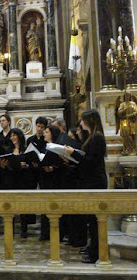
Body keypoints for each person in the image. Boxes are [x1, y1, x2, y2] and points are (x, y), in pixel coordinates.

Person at [65, 109, 108, 264]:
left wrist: (73, 154)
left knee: (96, 220)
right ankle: (92, 248)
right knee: (91, 219)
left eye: (82, 120)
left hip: (95, 181)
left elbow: (91, 162)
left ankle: (97, 252)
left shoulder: (97, 138)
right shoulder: (92, 137)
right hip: (90, 180)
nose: (80, 122)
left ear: (89, 120)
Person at [0, 128, 36, 238]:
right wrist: (2, 166)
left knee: (23, 205)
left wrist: (26, 166)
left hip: (23, 180)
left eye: (14, 135)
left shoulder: (26, 149)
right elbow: (2, 167)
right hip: (11, 180)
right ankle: (11, 229)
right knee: (11, 206)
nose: (12, 138)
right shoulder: (8, 150)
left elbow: (32, 165)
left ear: (19, 136)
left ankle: (24, 230)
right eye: (11, 136)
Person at [39, 125, 61, 241]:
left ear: (52, 134)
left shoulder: (56, 147)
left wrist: (52, 168)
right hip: (45, 180)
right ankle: (45, 233)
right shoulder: (45, 147)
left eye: (46, 132)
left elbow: (61, 164)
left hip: (54, 180)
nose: (44, 134)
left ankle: (54, 232)